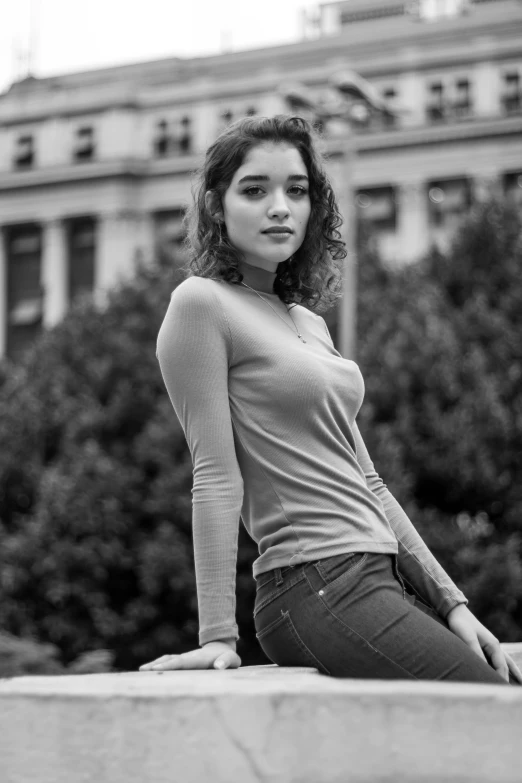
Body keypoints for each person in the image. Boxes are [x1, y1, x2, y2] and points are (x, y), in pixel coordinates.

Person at [139, 115, 522, 684]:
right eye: (255, 190)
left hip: (375, 573)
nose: (280, 207)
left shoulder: (309, 324)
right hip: (311, 582)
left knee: (500, 692)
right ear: (217, 206)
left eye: (296, 190)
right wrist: (217, 634)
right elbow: (215, 474)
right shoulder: (200, 304)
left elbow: (369, 483)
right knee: (493, 711)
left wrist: (452, 603)